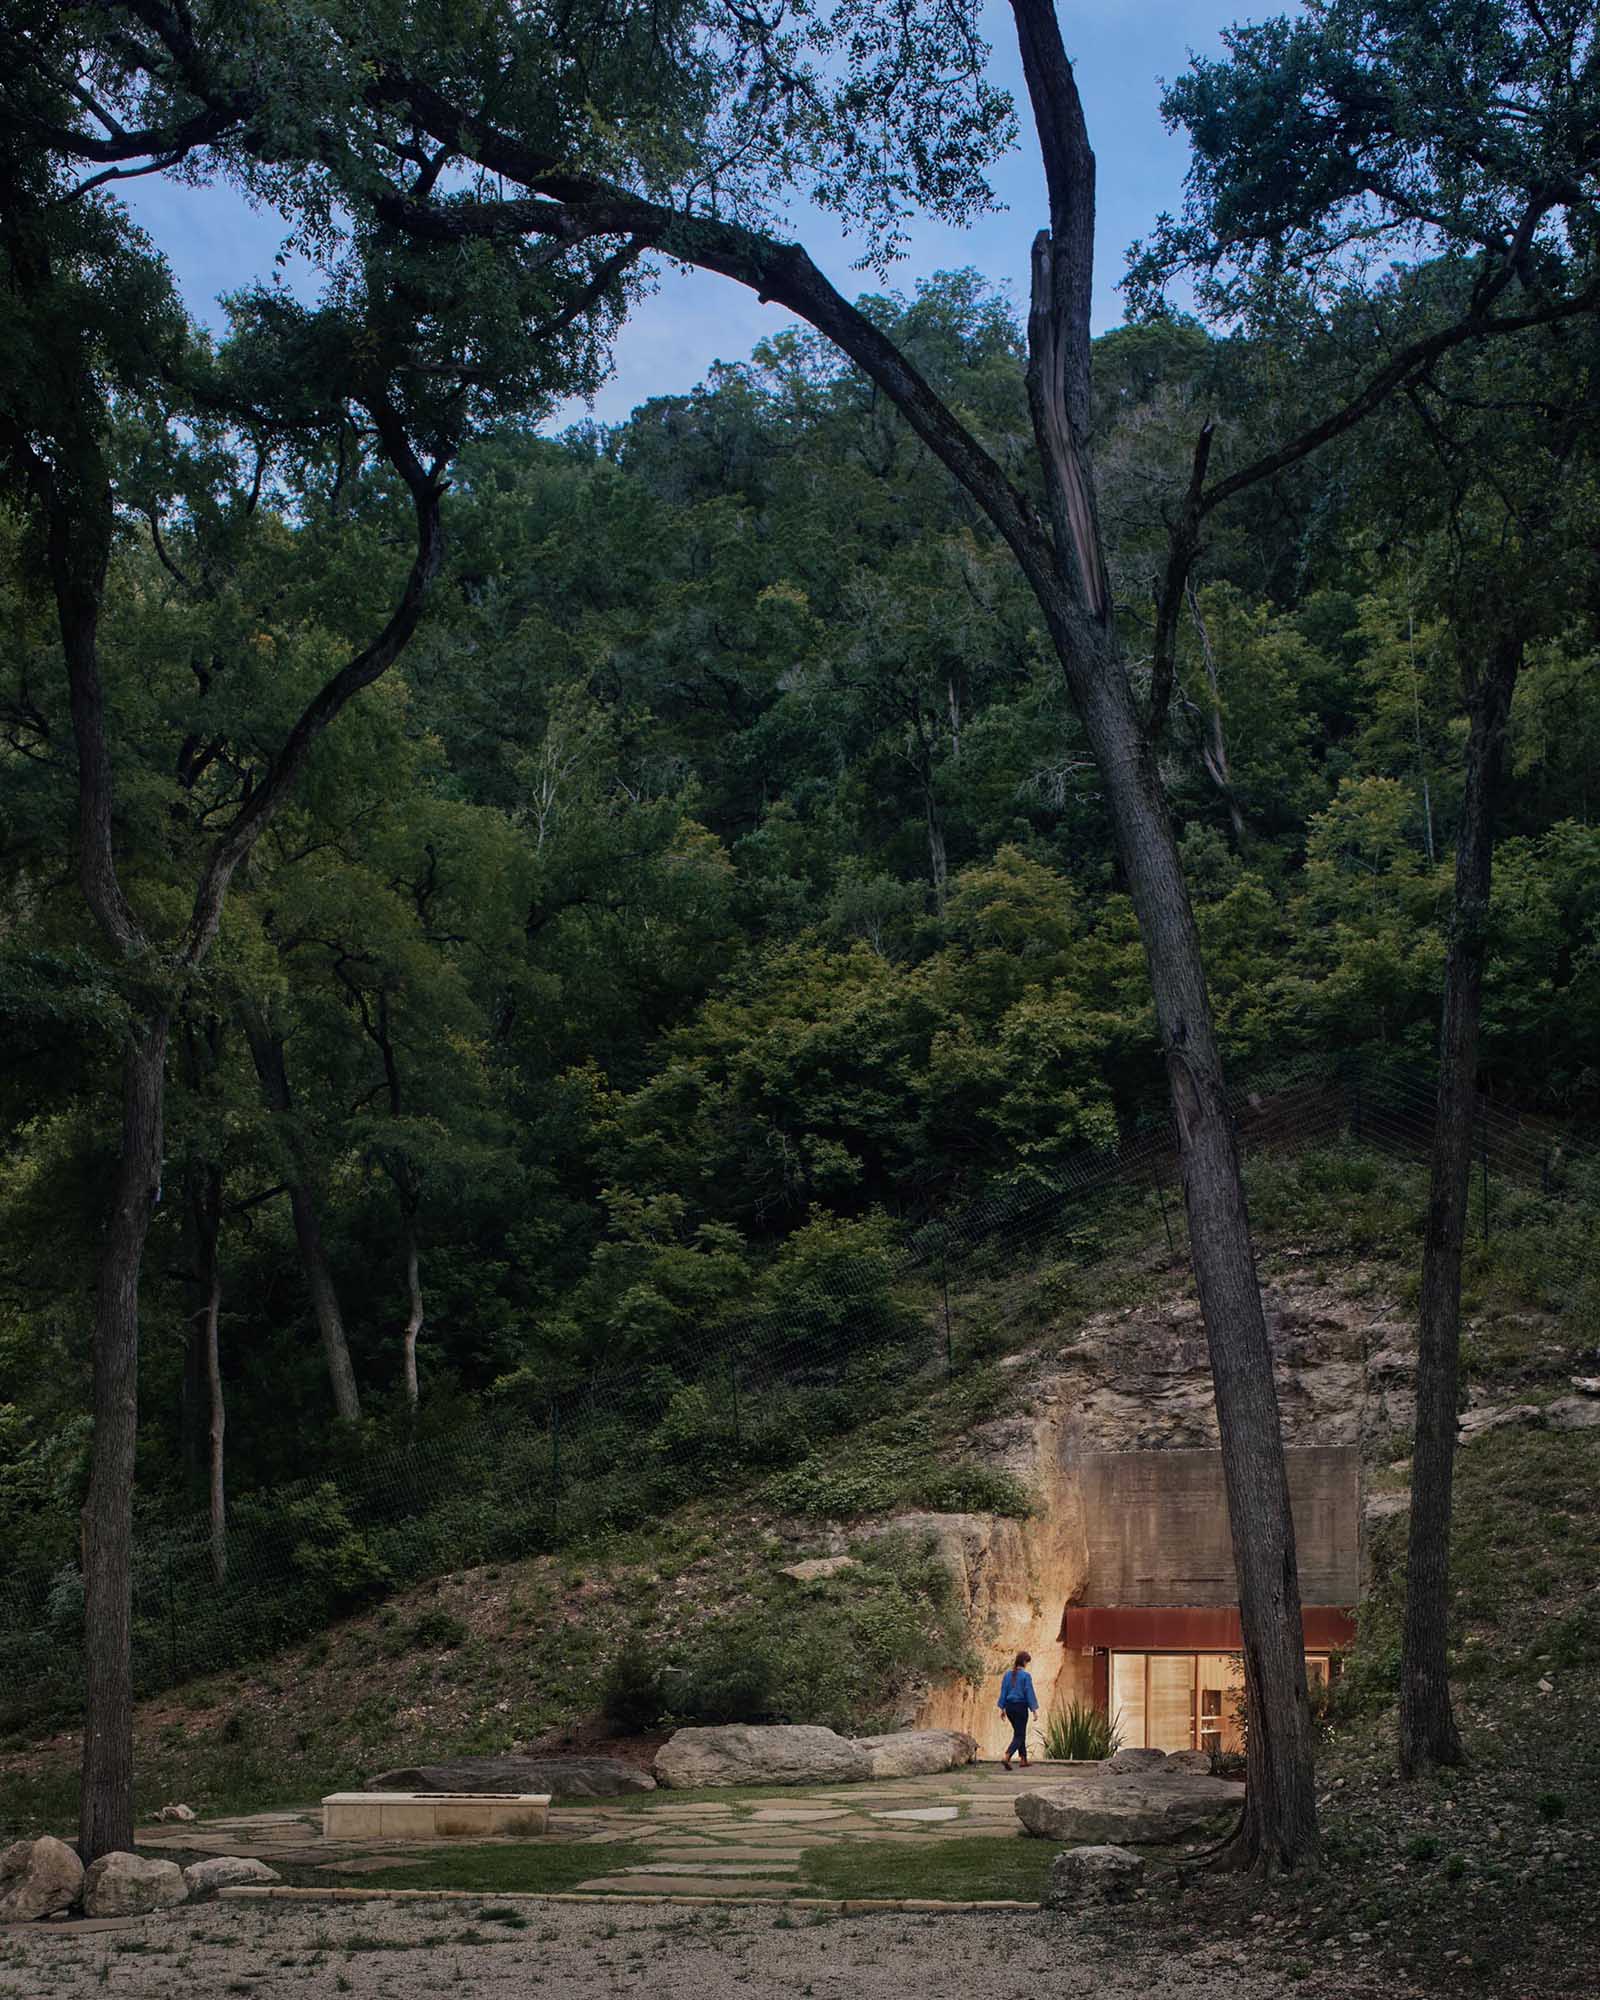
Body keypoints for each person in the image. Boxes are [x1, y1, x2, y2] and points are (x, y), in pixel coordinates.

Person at [998, 1650, 1038, 1769]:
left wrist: (1002, 1708)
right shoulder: (1026, 1676)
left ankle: (1023, 1759)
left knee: (1019, 1732)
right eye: (1027, 1662)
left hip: (1010, 1707)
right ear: (1024, 1662)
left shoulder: (1007, 1675)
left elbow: (1003, 1691)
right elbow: (1029, 1693)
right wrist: (1034, 1710)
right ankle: (1007, 1755)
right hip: (1020, 1707)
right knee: (1019, 1735)